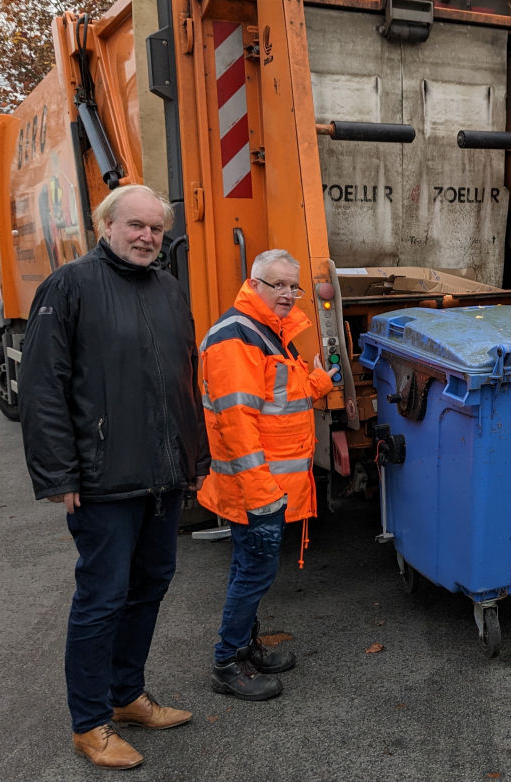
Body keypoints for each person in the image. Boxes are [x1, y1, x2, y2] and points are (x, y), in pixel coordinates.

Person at [19, 184, 210, 769]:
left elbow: (184, 380)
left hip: (163, 476)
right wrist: (60, 473)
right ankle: (89, 723)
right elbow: (42, 386)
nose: (147, 236)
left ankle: (126, 696)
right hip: (103, 479)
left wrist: (194, 462)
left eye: (156, 228)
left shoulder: (169, 290)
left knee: (150, 586)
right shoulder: (70, 286)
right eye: (136, 225)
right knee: (102, 598)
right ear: (106, 224)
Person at [198, 249, 333, 700]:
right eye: (277, 284)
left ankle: (245, 646)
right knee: (253, 573)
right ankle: (226, 663)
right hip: (257, 489)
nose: (288, 294)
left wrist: (320, 383)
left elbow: (280, 394)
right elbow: (236, 423)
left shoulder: (269, 332)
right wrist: (262, 493)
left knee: (249, 569)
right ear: (253, 284)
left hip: (266, 486)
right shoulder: (236, 339)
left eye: (293, 286)